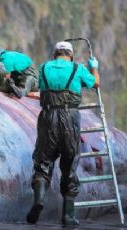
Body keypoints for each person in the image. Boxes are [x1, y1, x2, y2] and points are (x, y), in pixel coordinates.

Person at [26, 41, 100, 226]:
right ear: (71, 55)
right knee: (69, 163)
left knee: (43, 161)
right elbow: (95, 83)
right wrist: (94, 67)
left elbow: (41, 88)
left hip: (48, 117)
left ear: (55, 54)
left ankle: (39, 200)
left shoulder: (44, 68)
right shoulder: (78, 68)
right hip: (70, 118)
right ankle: (68, 216)